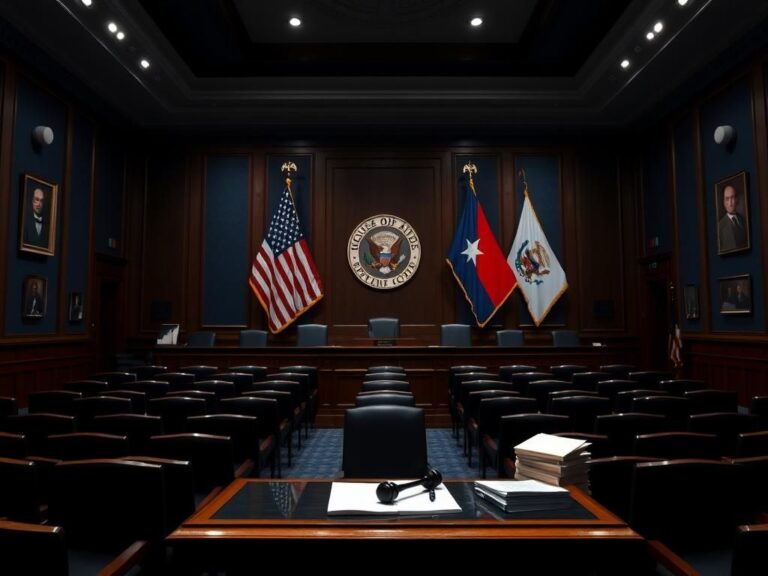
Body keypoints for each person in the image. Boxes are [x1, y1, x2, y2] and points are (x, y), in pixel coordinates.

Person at [717, 184, 747, 252]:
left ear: (736, 199)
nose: (730, 203)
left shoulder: (743, 220)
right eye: (727, 199)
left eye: (732, 198)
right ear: (724, 202)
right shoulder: (720, 226)